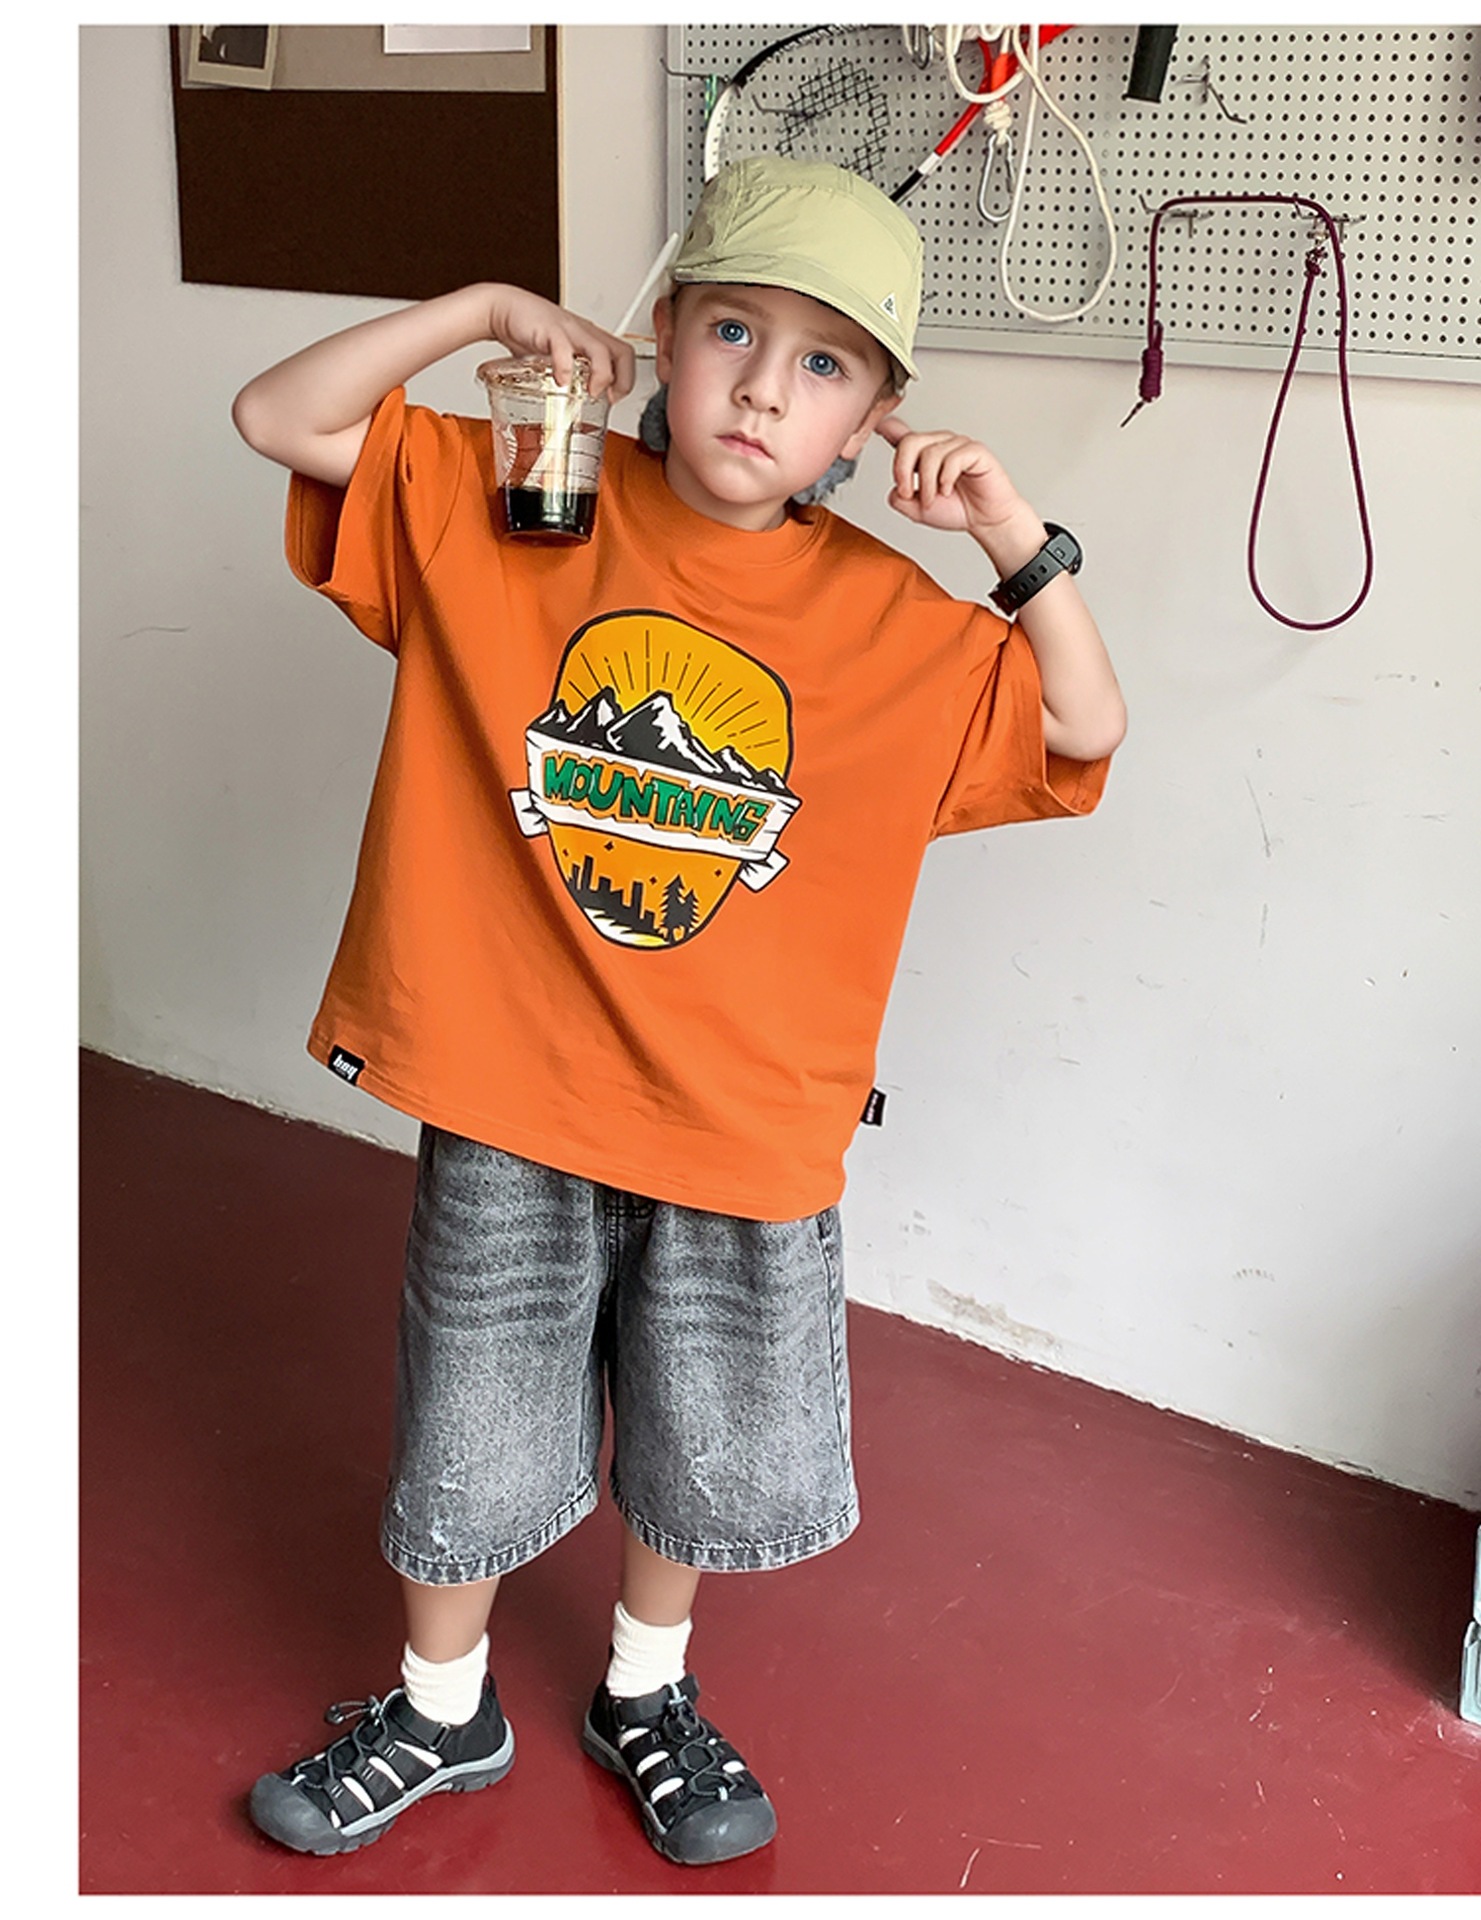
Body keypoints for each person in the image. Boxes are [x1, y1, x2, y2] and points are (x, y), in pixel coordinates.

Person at [230, 154, 1126, 1870]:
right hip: (513, 1080)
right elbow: (282, 416)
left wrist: (1014, 537)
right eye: (730, 331)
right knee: (470, 1413)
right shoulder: (524, 499)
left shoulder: (891, 621)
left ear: (868, 416)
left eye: (822, 363)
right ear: (660, 335)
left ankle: (644, 1688)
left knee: (702, 1432)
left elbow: (1082, 725)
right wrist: (485, 311)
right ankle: (439, 1707)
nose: (763, 389)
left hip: (742, 1116)